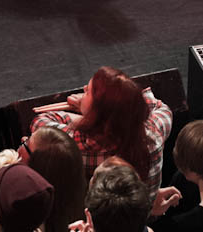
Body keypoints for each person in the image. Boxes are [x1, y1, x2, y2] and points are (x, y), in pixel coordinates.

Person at [31, 66, 172, 204]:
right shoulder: (155, 132)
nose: (84, 89)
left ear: (98, 114)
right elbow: (156, 105)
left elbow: (40, 123)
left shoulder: (82, 147)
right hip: (141, 216)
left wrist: (82, 115)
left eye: (88, 92)